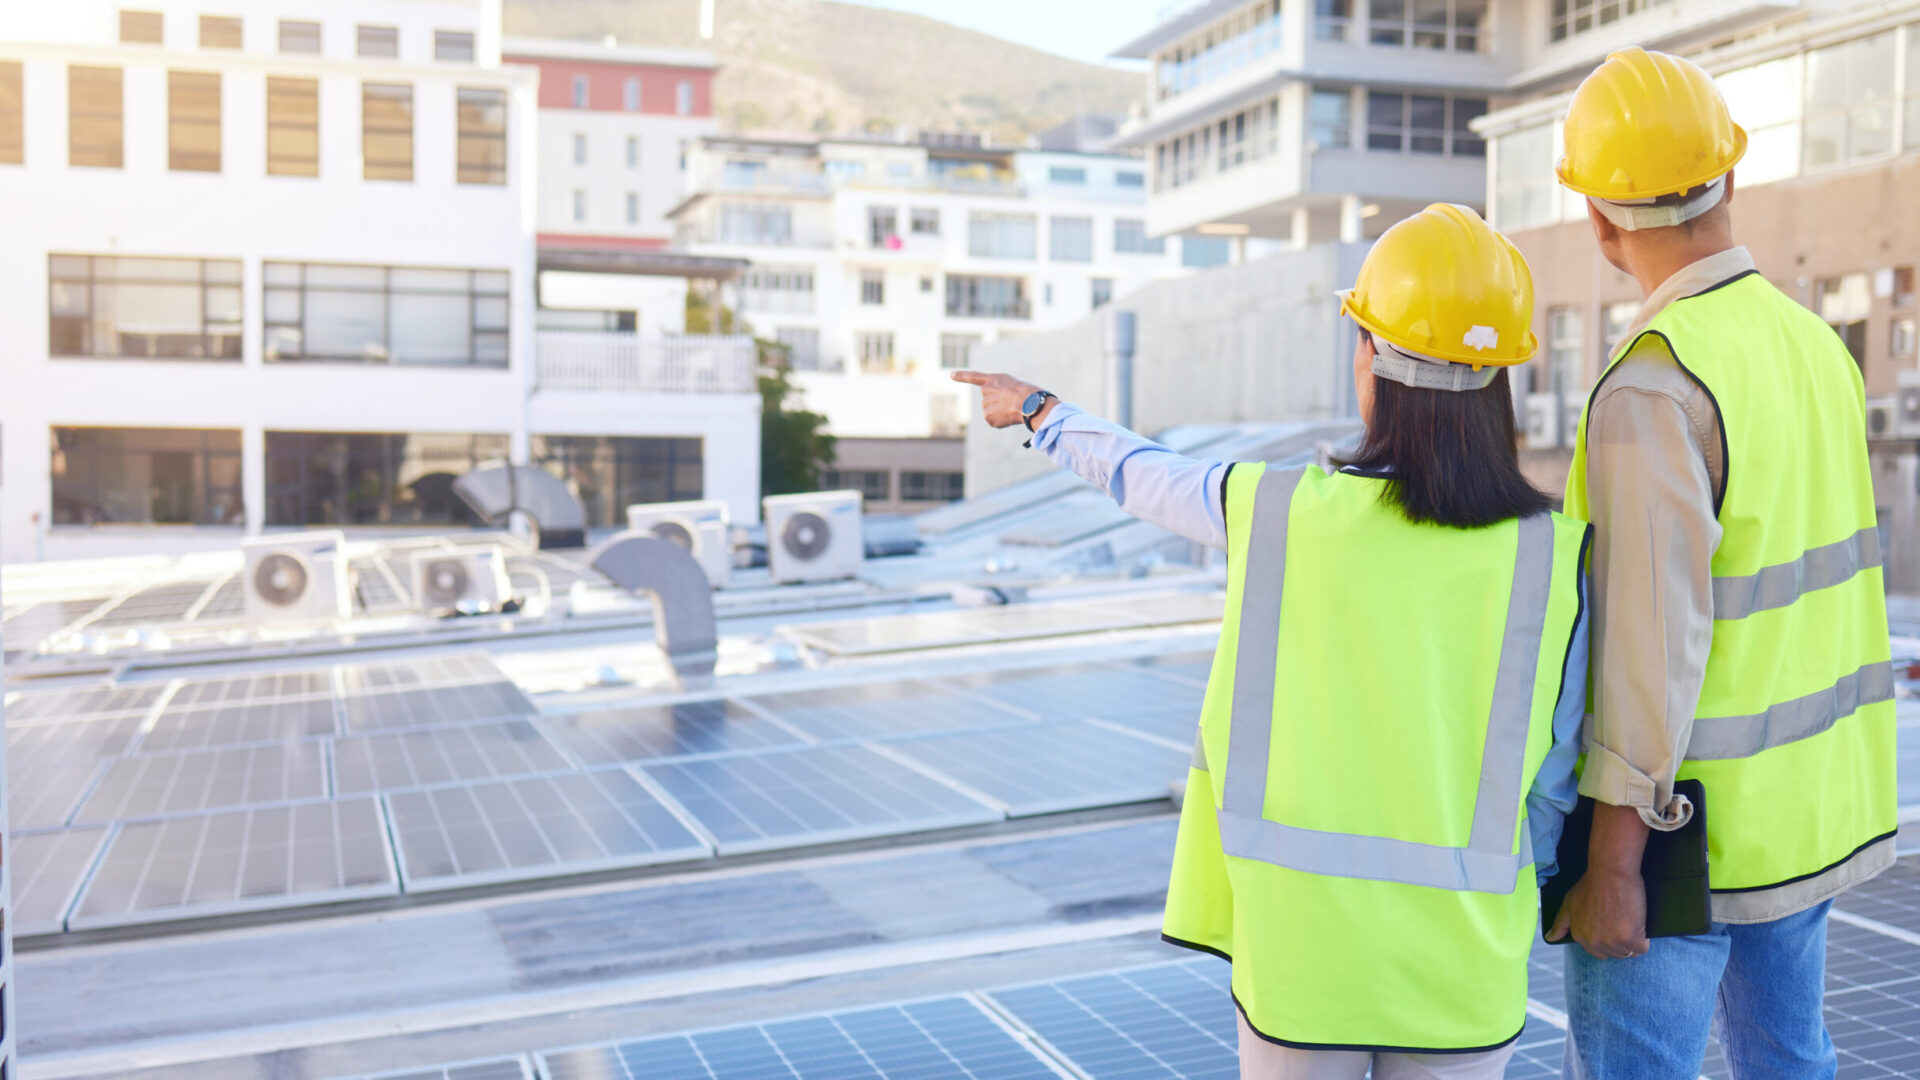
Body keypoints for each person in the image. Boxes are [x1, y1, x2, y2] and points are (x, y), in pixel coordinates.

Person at [955, 203, 1591, 1080]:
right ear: (1499, 384)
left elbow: (1150, 478)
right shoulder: (1555, 553)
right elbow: (1560, 771)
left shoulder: (1277, 510)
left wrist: (1040, 411)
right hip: (1465, 954)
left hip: (1302, 951)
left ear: (1374, 362)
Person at [1545, 47, 1896, 1080]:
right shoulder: (1813, 345)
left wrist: (1612, 863)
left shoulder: (1654, 385)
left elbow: (1650, 647)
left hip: (1678, 840)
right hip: (1809, 812)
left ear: (1601, 223)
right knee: (1791, 1059)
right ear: (1729, 179)